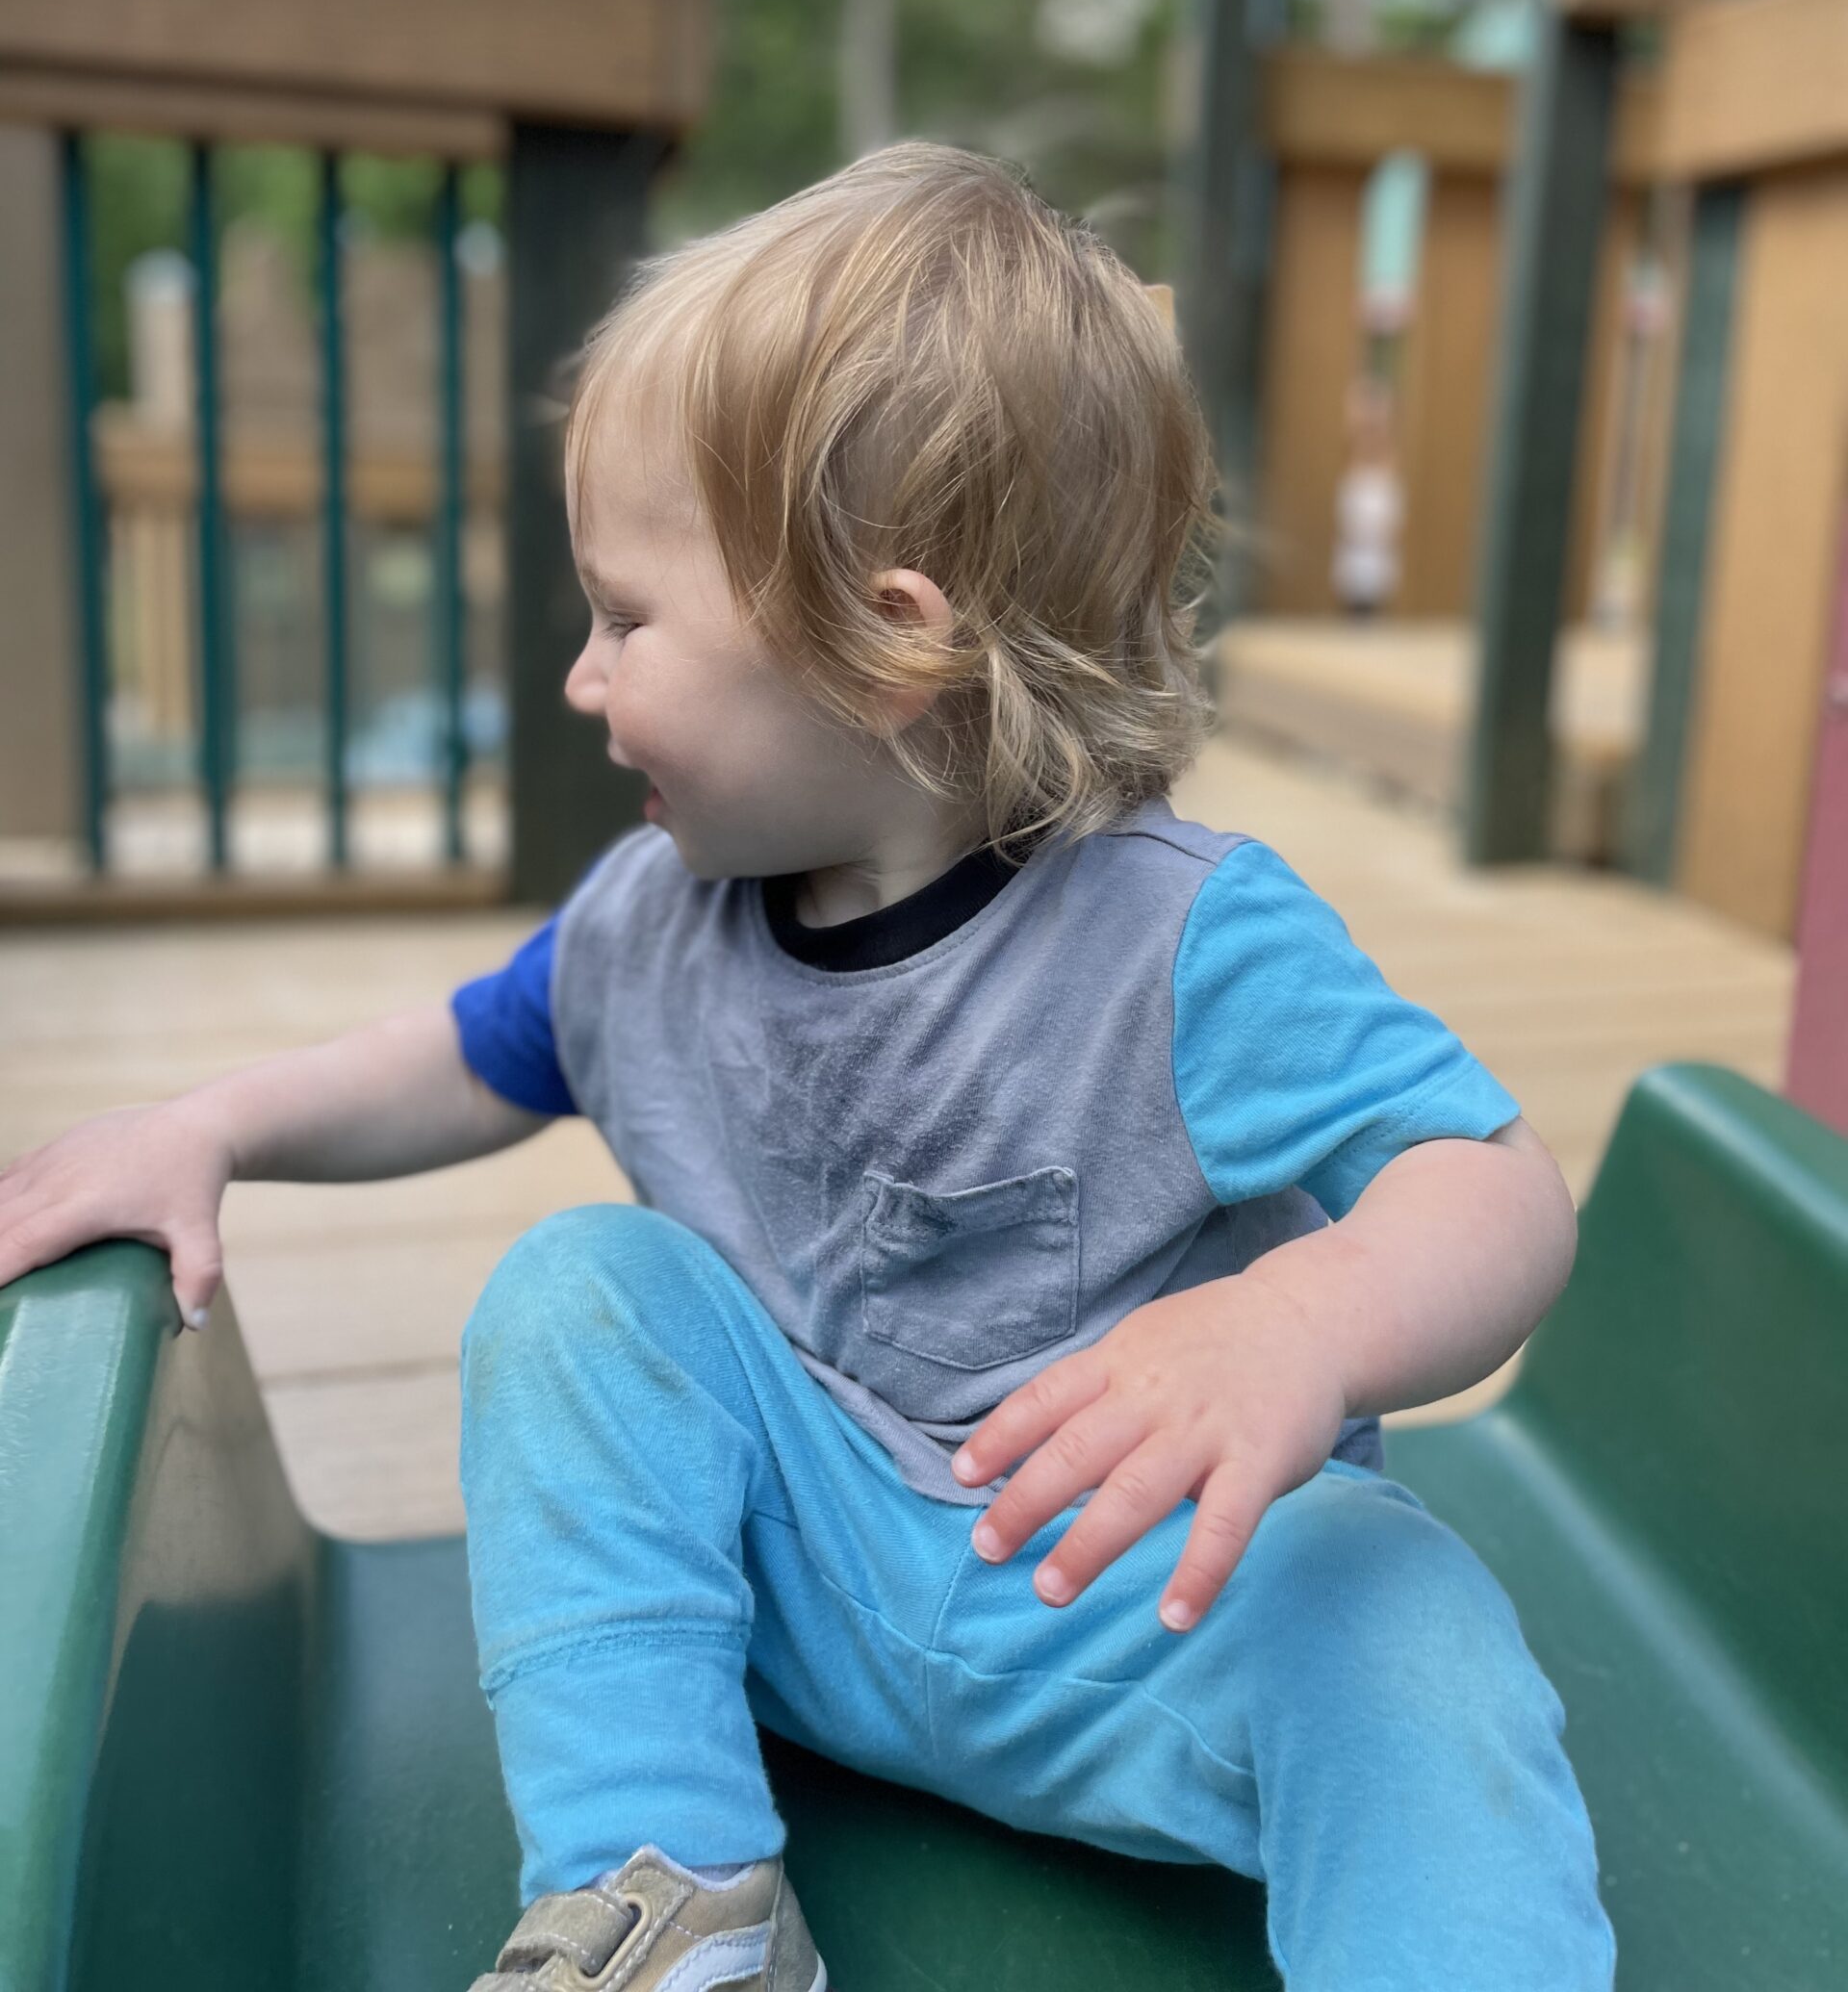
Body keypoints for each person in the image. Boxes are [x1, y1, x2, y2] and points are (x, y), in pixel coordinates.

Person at [0, 145, 1614, 1992]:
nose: (582, 685)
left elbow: (1495, 1186)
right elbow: (457, 1055)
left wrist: (1305, 1317)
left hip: (1141, 1604)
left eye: (625, 619)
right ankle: (680, 1901)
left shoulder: (1184, 938)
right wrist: (207, 1125)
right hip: (798, 1584)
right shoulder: (654, 916)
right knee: (583, 1292)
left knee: (1401, 1622)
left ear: (889, 639)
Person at [1330, 372, 1404, 620]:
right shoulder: (1350, 453)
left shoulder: (1390, 459)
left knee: (1372, 612)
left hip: (1376, 554)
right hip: (1354, 552)